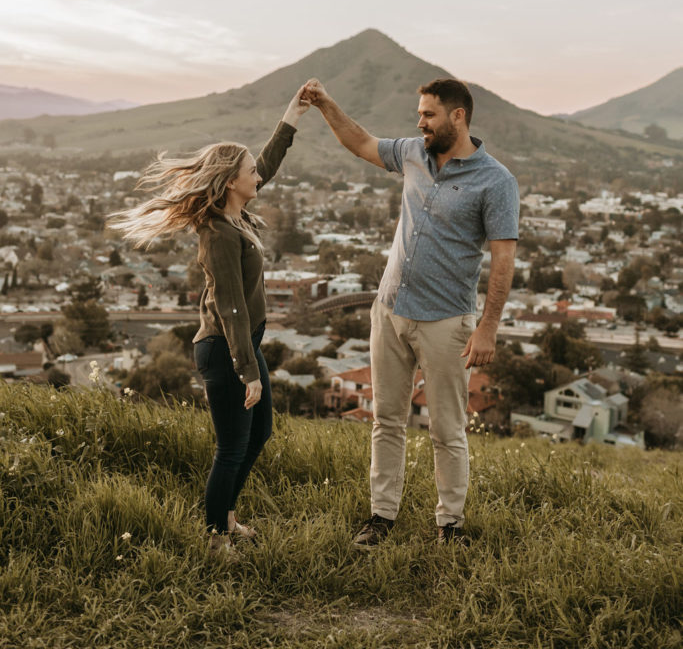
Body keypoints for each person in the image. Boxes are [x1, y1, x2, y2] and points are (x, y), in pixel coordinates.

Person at [303, 76, 519, 547]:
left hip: (446, 321)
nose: (419, 122)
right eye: (419, 113)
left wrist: (488, 327)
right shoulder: (412, 154)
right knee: (386, 419)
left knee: (447, 428)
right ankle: (381, 517)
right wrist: (325, 104)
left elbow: (503, 258)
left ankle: (450, 526)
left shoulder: (496, 181)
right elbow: (359, 141)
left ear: (457, 117)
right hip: (391, 308)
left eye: (428, 114)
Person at [110, 87, 310, 552]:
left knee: (259, 434)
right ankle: (216, 539)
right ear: (230, 181)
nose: (256, 175)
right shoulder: (218, 232)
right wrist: (246, 369)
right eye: (248, 171)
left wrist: (293, 114)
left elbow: (268, 163)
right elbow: (230, 304)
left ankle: (228, 518)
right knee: (232, 447)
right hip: (225, 348)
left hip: (243, 346)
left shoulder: (238, 216)